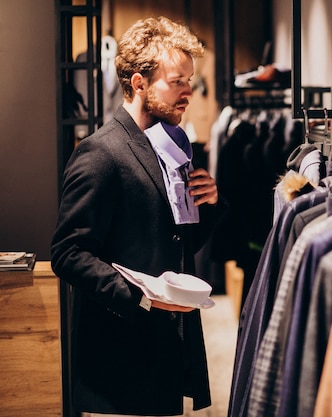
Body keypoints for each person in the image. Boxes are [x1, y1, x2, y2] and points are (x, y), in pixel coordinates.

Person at [51, 16, 228, 416]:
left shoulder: (170, 148)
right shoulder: (100, 153)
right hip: (118, 360)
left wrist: (211, 204)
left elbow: (178, 243)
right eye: (176, 81)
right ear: (138, 83)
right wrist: (144, 298)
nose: (188, 92)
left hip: (162, 351)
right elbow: (67, 253)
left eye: (189, 80)